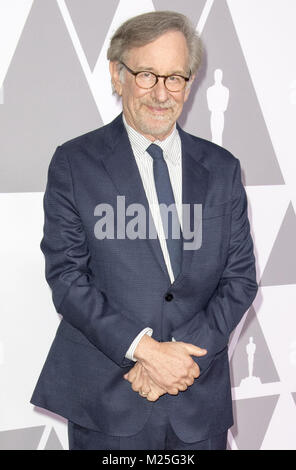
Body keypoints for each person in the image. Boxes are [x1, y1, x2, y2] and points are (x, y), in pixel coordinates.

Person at [30, 11, 258, 450]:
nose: (161, 93)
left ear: (190, 84)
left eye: (174, 77)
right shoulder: (75, 164)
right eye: (146, 74)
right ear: (118, 76)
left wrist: (180, 358)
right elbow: (67, 279)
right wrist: (148, 352)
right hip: (108, 403)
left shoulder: (223, 169)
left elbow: (240, 280)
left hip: (198, 402)